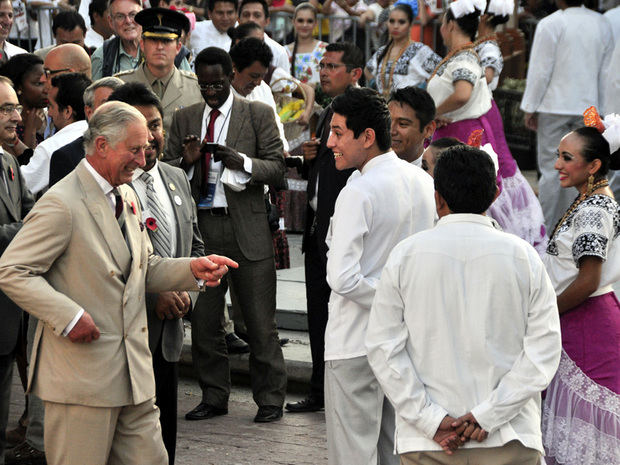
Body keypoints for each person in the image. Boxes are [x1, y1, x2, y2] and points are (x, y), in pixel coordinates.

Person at [0, 100, 237, 465]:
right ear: (102, 146)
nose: (143, 160)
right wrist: (68, 316)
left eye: (145, 149)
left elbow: (141, 266)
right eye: (135, 150)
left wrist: (192, 268)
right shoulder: (61, 203)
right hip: (84, 384)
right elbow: (12, 270)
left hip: (134, 377)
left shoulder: (125, 194)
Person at [366, 144, 562, 465]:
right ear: (496, 194)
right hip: (508, 438)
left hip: (428, 441)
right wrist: (486, 415)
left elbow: (382, 346)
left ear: (438, 197)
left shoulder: (406, 255)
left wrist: (431, 418)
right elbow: (544, 349)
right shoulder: (523, 256)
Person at [164, 46, 288, 423]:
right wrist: (185, 162)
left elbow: (279, 169)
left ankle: (269, 399)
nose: (211, 91)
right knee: (204, 323)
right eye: (204, 85)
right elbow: (162, 171)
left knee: (259, 323)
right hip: (202, 231)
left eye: (217, 83)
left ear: (231, 73)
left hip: (247, 229)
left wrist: (243, 162)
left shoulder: (257, 113)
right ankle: (213, 396)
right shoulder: (185, 118)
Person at [323, 86, 435, 465]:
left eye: (338, 132)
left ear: (367, 136)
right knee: (393, 450)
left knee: (353, 454)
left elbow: (342, 278)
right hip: (403, 342)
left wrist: (392, 298)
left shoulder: (360, 190)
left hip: (355, 342)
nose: (329, 142)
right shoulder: (422, 181)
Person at [109, 82, 205, 465]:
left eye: (156, 125)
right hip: (124, 339)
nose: (149, 137)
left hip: (168, 339)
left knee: (164, 444)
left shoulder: (177, 178)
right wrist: (155, 294)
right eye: (139, 128)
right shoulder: (110, 187)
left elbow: (195, 247)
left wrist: (186, 294)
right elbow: (107, 263)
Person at [428, 0, 547, 254]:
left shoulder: (465, 58)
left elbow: (462, 93)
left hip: (461, 133)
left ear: (449, 25)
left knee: (464, 192)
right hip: (456, 129)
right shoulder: (465, 54)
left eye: (442, 23)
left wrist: (434, 112)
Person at [284, 42, 364, 414]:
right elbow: (325, 171)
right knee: (317, 315)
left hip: (343, 231)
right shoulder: (327, 110)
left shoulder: (362, 112)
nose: (325, 72)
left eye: (333, 66)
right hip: (317, 230)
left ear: (355, 74)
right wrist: (307, 161)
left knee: (341, 317)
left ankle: (338, 394)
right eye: (323, 65)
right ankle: (319, 390)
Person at [541, 110, 620, 465]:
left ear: (593, 166)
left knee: (584, 441)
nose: (557, 164)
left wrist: (543, 311)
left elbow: (588, 280)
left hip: (587, 325)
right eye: (558, 155)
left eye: (566, 158)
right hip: (584, 320)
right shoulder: (591, 201)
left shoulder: (593, 209)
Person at [520, 0, 613, 231]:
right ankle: (582, 226)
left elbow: (540, 70)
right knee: (586, 172)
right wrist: (602, 113)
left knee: (553, 171)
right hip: (588, 108)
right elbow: (605, 73)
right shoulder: (601, 24)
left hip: (554, 106)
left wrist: (530, 107)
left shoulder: (551, 23)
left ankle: (549, 230)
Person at [0, 75, 35, 465]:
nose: (17, 116)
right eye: (7, 108)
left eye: (16, 106)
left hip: (9, 316)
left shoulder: (10, 161)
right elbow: (27, 225)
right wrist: (27, 232)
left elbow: (30, 211)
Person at [116, 7, 202, 134]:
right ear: (142, 45)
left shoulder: (195, 87)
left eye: (167, 41)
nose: (160, 47)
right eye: (153, 40)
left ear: (178, 47)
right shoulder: (121, 84)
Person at [20, 73, 91, 195]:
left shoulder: (51, 148)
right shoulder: (101, 137)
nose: (49, 113)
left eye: (50, 106)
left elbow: (18, 186)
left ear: (67, 111)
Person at [49, 76, 124, 187]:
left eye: (121, 105)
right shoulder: (67, 157)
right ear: (89, 112)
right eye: (107, 105)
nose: (116, 112)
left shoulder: (138, 152)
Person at [365, 3, 440, 98]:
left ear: (410, 24)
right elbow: (367, 69)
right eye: (391, 21)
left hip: (410, 109)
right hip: (385, 108)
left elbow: (442, 71)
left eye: (401, 22)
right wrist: (373, 83)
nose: (395, 26)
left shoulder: (419, 50)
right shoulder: (382, 51)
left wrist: (422, 90)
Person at [0, 54, 46, 155]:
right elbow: (28, 166)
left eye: (46, 82)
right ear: (19, 86)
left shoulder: (48, 117)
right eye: (38, 84)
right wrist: (31, 131)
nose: (46, 89)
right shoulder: (7, 125)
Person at [90, 0, 144, 80]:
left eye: (133, 15)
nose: (128, 21)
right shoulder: (102, 57)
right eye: (120, 16)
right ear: (111, 22)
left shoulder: (157, 48)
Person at [388, 86, 436, 167]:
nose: (391, 131)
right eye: (387, 121)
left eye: (402, 124)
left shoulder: (435, 176)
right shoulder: (365, 173)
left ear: (428, 129)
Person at [238, 0, 289, 71]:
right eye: (246, 15)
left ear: (267, 21)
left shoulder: (279, 52)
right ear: (238, 20)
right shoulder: (227, 47)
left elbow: (282, 81)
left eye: (257, 15)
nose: (251, 19)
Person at [286, 3, 327, 87]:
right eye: (300, 20)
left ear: (315, 23)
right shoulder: (284, 51)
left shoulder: (326, 49)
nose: (305, 25)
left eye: (309, 21)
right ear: (293, 22)